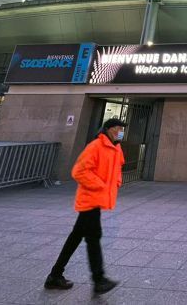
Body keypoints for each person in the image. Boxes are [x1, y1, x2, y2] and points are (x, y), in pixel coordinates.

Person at [44, 118, 126, 295]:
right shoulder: (96, 146)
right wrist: (100, 185)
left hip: (97, 200)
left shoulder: (117, 148)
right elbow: (79, 171)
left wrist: (117, 181)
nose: (121, 131)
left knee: (75, 237)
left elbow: (118, 168)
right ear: (110, 130)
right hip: (89, 199)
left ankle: (55, 275)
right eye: (119, 128)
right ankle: (99, 280)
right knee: (94, 237)